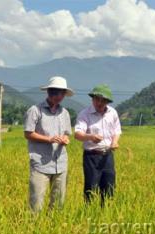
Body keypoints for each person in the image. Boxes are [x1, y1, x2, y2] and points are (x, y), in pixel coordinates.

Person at [24, 76, 73, 212]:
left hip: (61, 163)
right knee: (36, 203)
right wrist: (49, 139)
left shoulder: (65, 113)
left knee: (58, 203)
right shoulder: (35, 110)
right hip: (41, 163)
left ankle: (53, 227)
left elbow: (67, 134)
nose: (56, 96)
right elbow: (28, 133)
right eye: (53, 92)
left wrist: (65, 140)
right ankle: (33, 228)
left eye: (60, 93)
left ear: (64, 94)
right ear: (48, 92)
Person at [74, 84, 122, 207]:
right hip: (91, 156)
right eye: (97, 99)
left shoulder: (112, 113)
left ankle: (106, 212)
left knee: (109, 186)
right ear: (92, 99)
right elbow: (78, 134)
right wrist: (90, 137)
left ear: (107, 101)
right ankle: (89, 212)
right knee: (91, 187)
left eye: (103, 100)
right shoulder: (85, 114)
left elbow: (116, 131)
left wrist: (115, 142)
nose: (99, 103)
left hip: (107, 156)